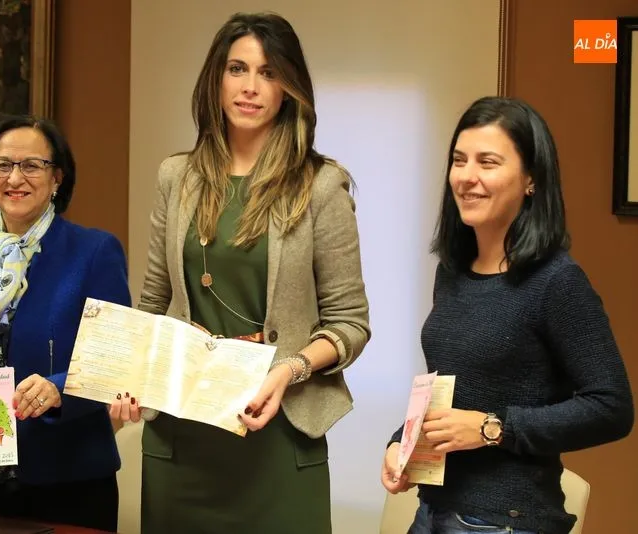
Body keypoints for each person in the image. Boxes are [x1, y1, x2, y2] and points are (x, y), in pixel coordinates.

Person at [109, 12, 371, 534]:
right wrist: (131, 378)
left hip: (277, 434)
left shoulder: (321, 186)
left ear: (289, 89)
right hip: (181, 442)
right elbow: (154, 303)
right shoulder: (175, 176)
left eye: (269, 73)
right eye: (237, 69)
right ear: (216, 79)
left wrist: (287, 371)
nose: (251, 87)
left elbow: (349, 325)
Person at [380, 96, 634, 534]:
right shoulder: (453, 273)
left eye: (488, 162)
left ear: (531, 180)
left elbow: (612, 408)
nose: (467, 177)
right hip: (433, 511)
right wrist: (400, 444)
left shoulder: (557, 281)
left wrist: (493, 429)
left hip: (507, 522)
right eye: (459, 160)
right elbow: (452, 392)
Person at [0, 115, 130, 532]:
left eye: (32, 165)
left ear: (57, 178)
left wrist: (57, 387)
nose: (15, 177)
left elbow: (115, 359)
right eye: (3, 165)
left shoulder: (94, 251)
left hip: (72, 481)